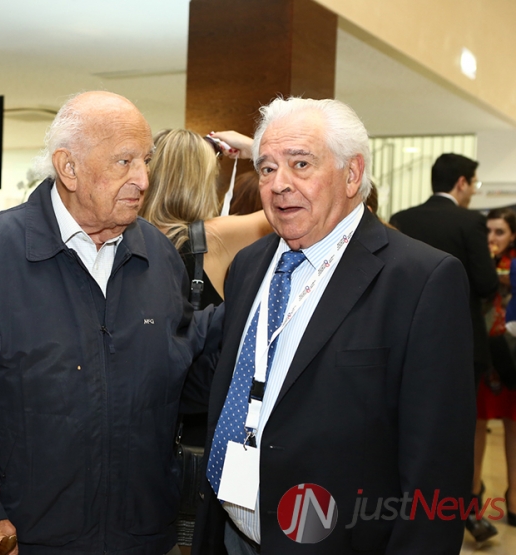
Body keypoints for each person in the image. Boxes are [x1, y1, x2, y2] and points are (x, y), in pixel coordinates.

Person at [0, 91, 220, 555]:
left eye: (146, 161)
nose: (142, 179)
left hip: (143, 537)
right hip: (23, 537)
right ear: (68, 167)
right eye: (125, 161)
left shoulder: (159, 256)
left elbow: (180, 378)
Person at [193, 97, 475, 554]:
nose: (279, 184)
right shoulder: (249, 266)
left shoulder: (420, 280)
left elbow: (437, 466)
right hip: (233, 533)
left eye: (300, 164)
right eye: (267, 168)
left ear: (352, 174)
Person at [139, 128, 270, 549]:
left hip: (144, 426)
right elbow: (298, 207)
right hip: (200, 427)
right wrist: (256, 151)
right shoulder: (216, 237)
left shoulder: (125, 240)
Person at [390, 152, 499, 542]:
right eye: (474, 184)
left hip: (402, 339)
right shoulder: (469, 222)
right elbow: (486, 283)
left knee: (406, 427)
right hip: (458, 343)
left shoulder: (403, 218)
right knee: (454, 432)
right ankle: (460, 509)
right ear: (462, 183)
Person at [140, 128, 271, 298]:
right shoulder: (213, 237)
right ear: (202, 184)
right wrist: (254, 149)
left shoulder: (126, 236)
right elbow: (294, 211)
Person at [475, 208, 516, 526]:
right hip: (483, 352)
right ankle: (472, 494)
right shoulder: (478, 262)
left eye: (499, 232)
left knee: (513, 425)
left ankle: (514, 498)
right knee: (477, 424)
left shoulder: (513, 264)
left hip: (511, 354)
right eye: (488, 231)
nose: (492, 238)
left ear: (512, 235)